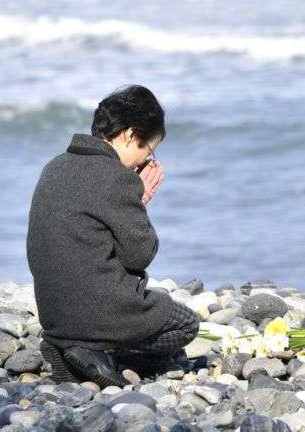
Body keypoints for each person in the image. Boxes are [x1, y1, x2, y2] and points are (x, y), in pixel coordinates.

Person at [26, 84, 199, 387]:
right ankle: (100, 354)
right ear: (131, 135)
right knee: (185, 324)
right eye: (149, 150)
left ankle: (65, 348)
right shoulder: (117, 177)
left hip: (54, 315)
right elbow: (139, 255)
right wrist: (140, 201)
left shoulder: (54, 166)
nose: (145, 161)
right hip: (100, 312)